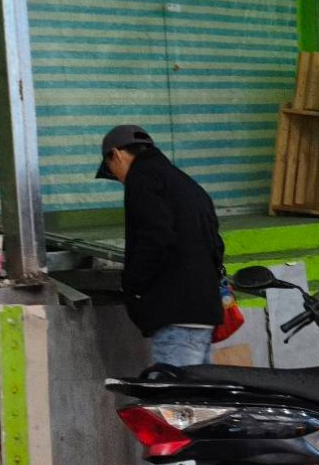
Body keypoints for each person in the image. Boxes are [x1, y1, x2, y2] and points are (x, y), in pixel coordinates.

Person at [96, 124, 224, 368]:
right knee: (198, 390)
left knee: (175, 391)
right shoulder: (183, 182)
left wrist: (133, 286)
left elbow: (154, 238)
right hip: (203, 311)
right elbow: (216, 246)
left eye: (111, 168)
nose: (119, 179)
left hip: (175, 314)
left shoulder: (142, 179)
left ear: (116, 155)